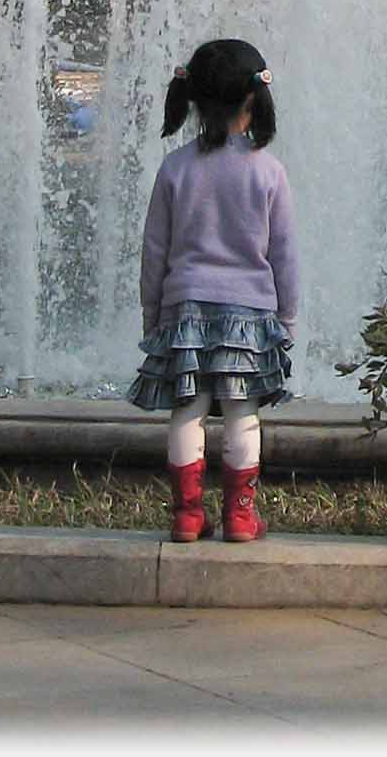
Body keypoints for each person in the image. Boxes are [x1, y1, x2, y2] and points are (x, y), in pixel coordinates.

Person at [128, 38, 299, 545]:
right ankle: (240, 516)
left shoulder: (175, 168)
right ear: (254, 100)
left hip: (185, 310)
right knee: (243, 413)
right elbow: (284, 254)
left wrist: (152, 313)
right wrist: (287, 320)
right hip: (250, 312)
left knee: (188, 411)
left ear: (194, 103)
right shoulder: (269, 172)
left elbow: (154, 251)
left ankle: (186, 513)